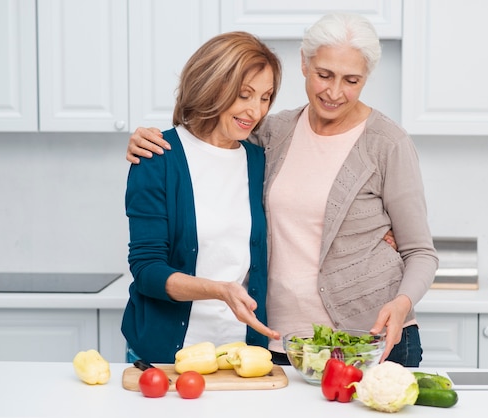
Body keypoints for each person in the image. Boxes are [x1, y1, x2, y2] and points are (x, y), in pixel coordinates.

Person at [126, 13, 438, 366]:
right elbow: (207, 141)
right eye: (324, 75)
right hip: (280, 344)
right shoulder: (271, 134)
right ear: (304, 64)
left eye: (351, 80)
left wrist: (402, 302)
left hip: (368, 339)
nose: (335, 92)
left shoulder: (387, 143)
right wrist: (143, 138)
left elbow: (419, 251)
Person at [122, 31, 282, 364]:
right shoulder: (157, 157)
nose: (255, 111)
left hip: (243, 356)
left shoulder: (260, 160)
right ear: (211, 85)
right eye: (244, 95)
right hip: (167, 357)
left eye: (265, 97)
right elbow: (148, 270)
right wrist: (220, 290)